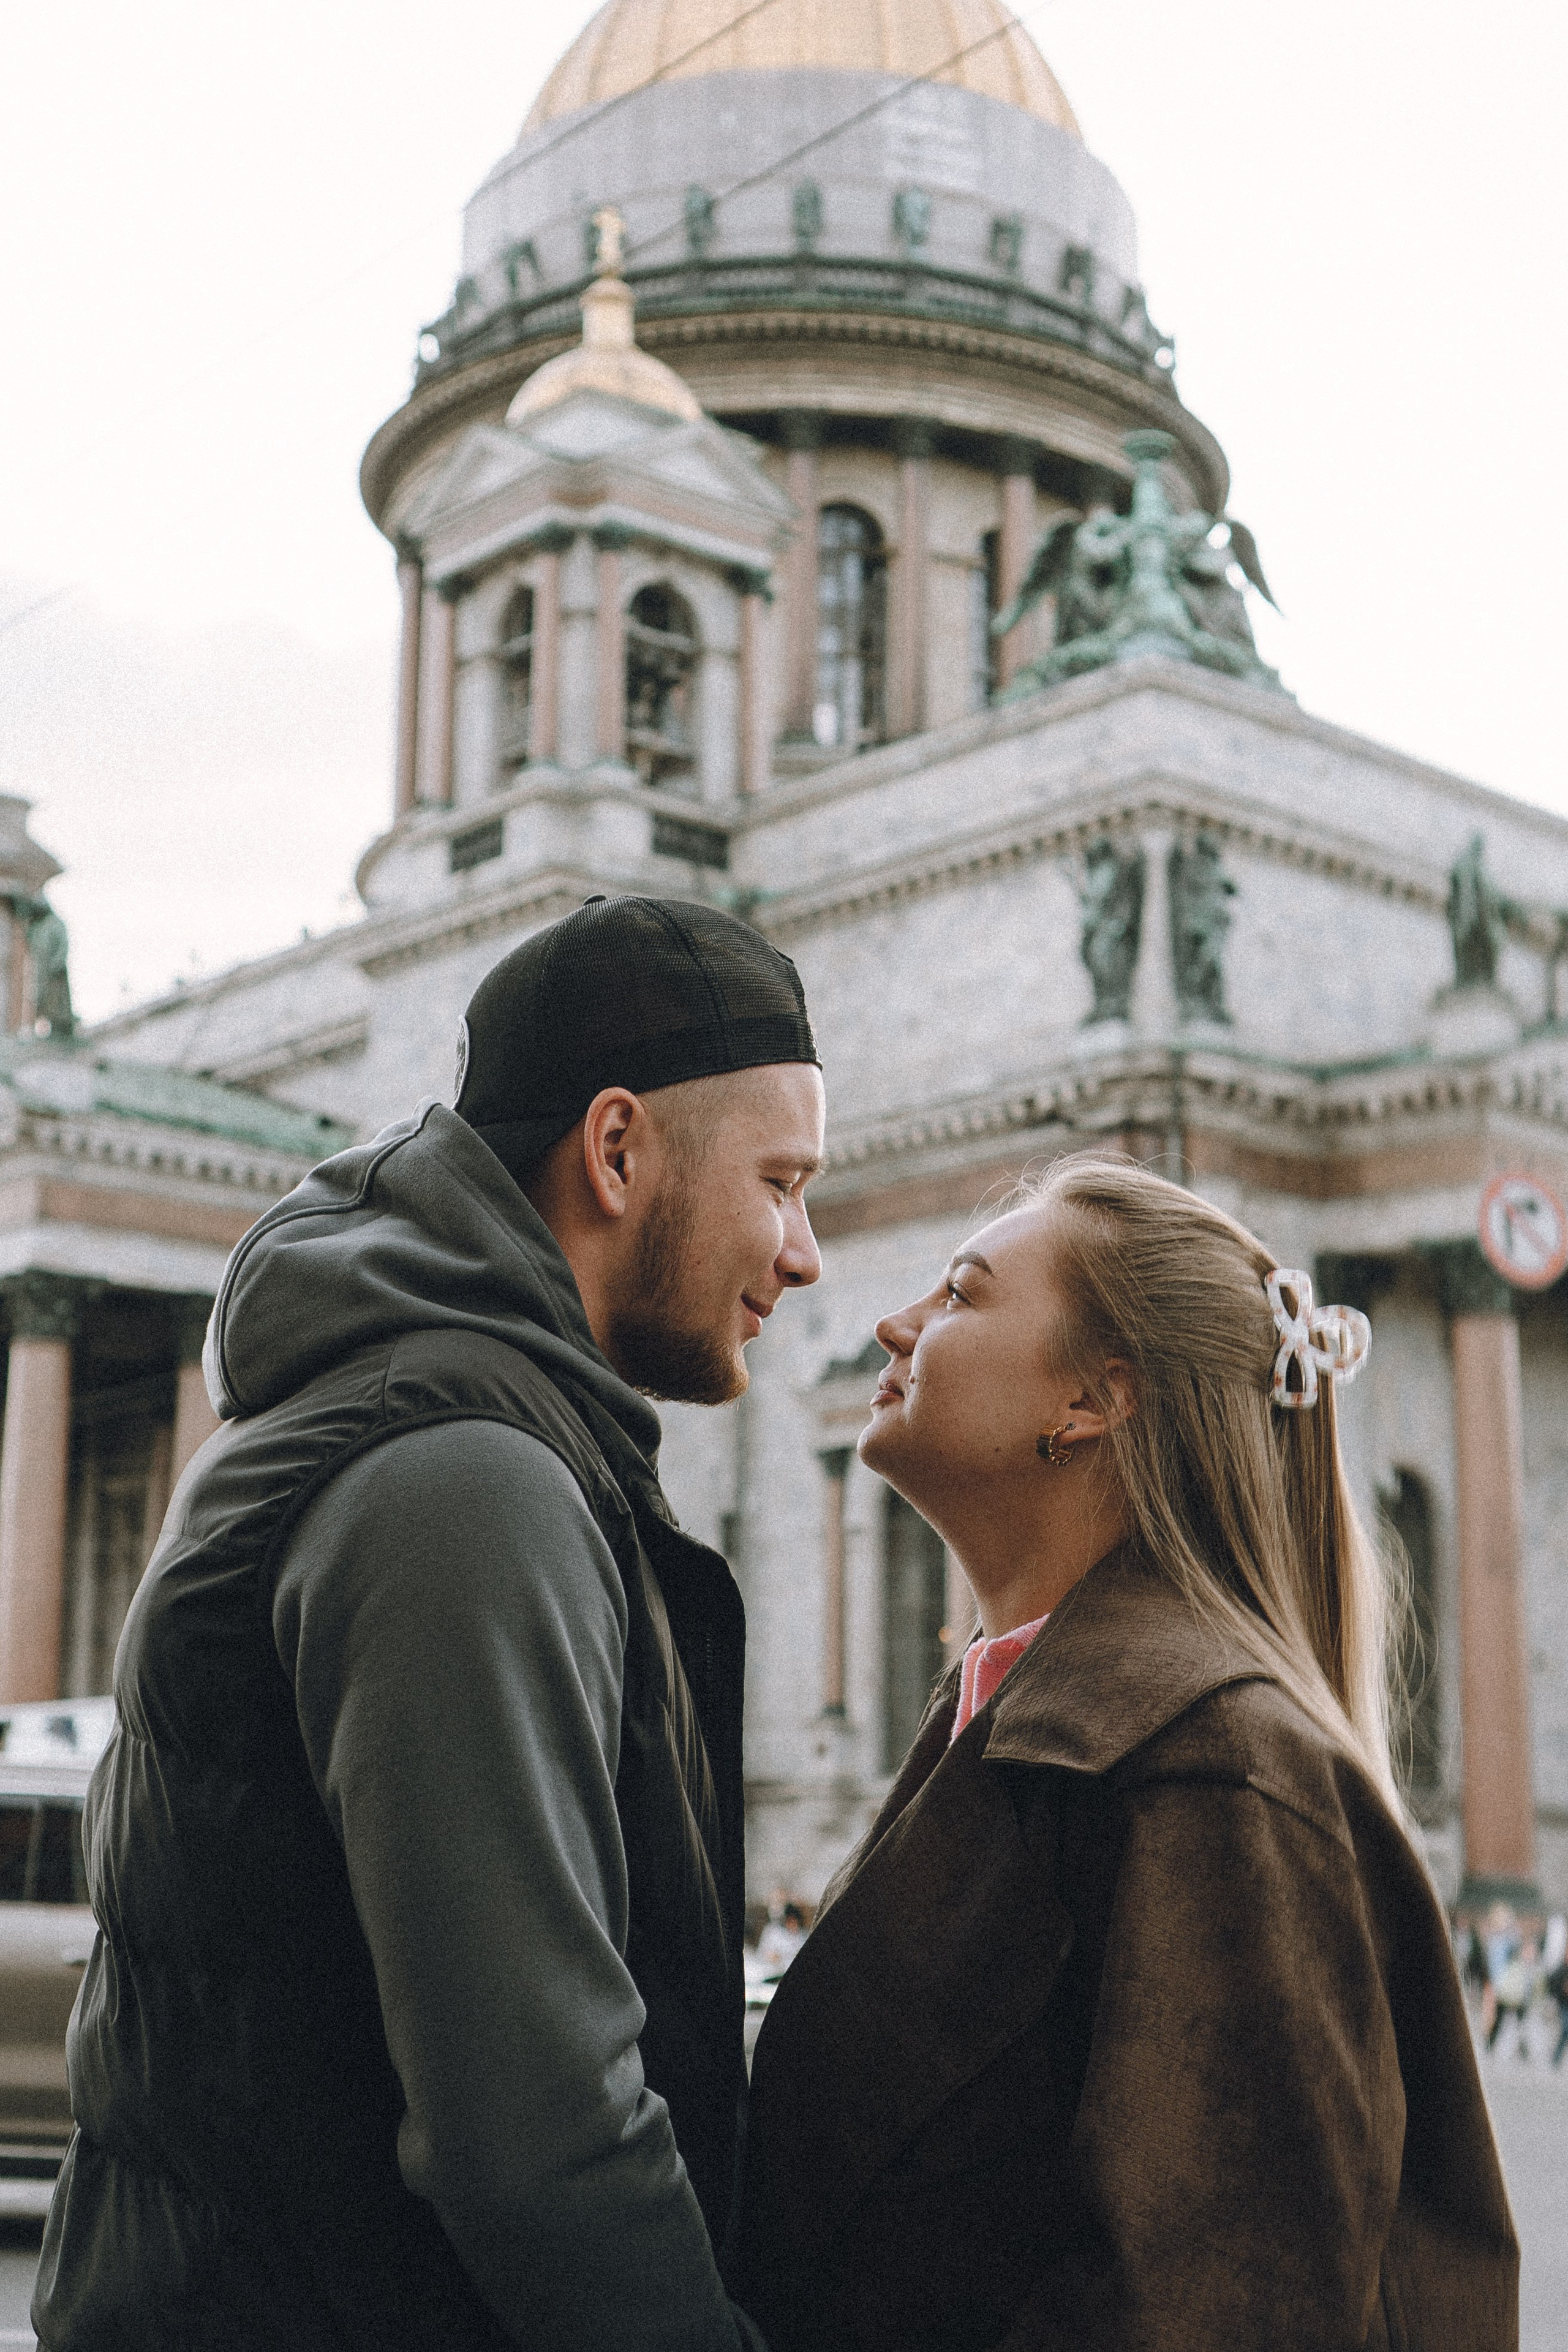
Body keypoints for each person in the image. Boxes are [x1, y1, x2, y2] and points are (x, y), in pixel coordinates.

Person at [34, 895, 825, 2351]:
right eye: (780, 1184)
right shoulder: (462, 1479)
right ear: (614, 1151)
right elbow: (539, 2136)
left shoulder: (426, 1416)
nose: (805, 1251)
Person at [737, 1155, 1518, 2350]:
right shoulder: (1043, 1716)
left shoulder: (1211, 1772)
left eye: (958, 1293)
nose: (894, 1323)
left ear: (1093, 1401)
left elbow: (1222, 2308)